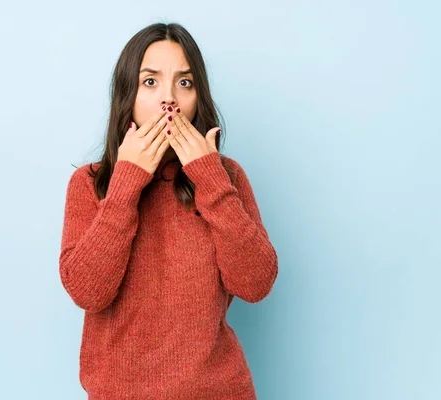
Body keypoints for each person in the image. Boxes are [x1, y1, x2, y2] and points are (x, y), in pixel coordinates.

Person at [59, 22, 278, 399]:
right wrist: (126, 181)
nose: (169, 99)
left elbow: (256, 284)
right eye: (150, 82)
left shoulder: (226, 177)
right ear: (127, 94)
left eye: (184, 82)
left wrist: (209, 179)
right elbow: (87, 292)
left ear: (198, 96)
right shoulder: (90, 183)